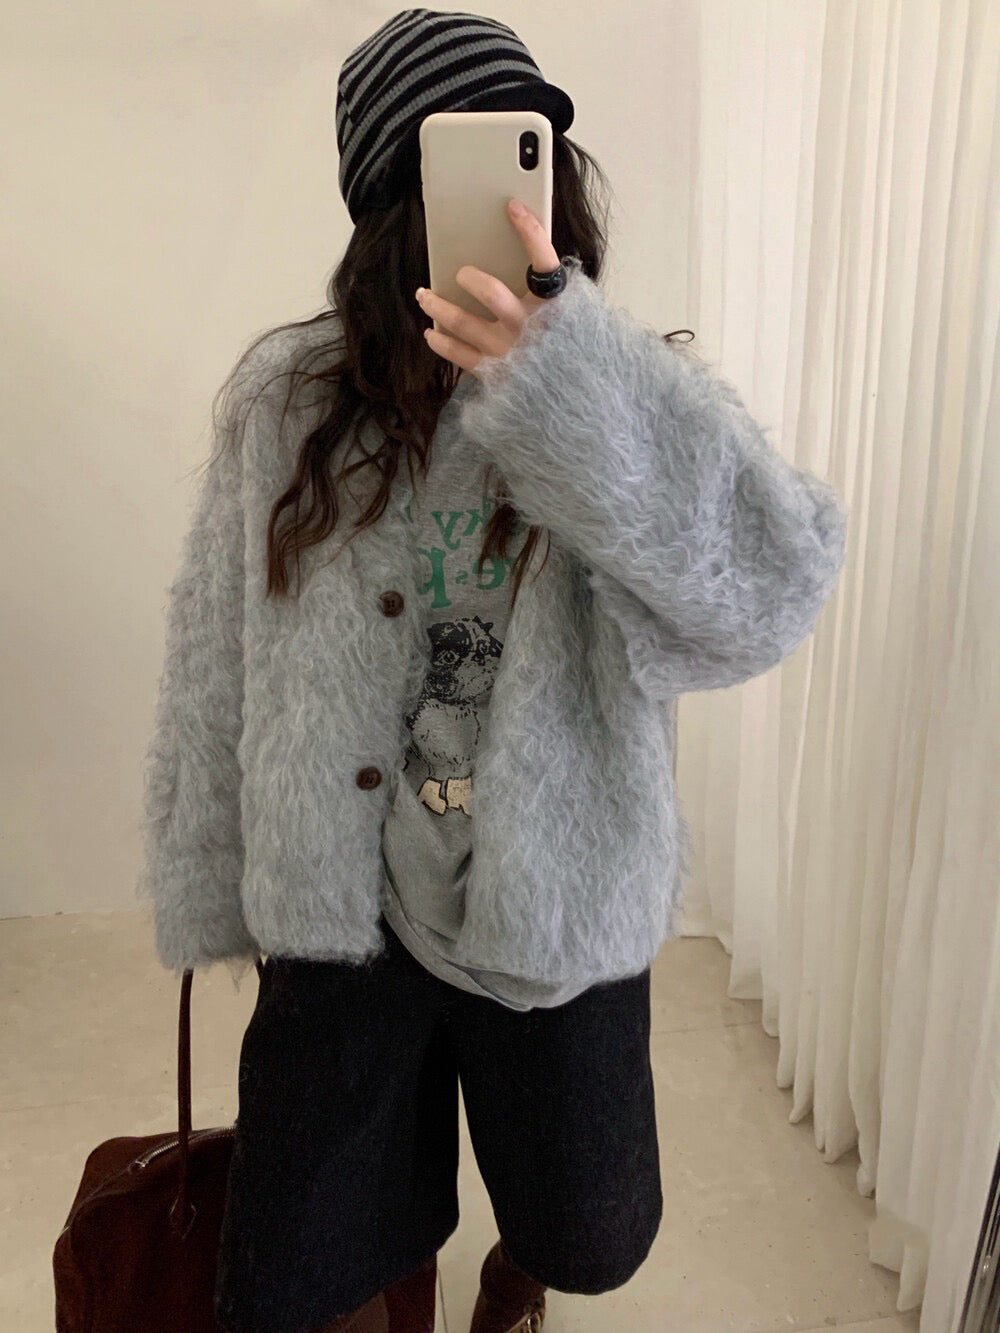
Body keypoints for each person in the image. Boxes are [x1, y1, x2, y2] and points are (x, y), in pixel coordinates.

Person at [136, 10, 849, 1333]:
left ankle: (516, 1275)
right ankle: (394, 1284)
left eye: (532, 164)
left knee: (589, 1226)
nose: (519, 207)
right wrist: (215, 863)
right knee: (302, 1253)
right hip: (350, 900)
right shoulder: (291, 401)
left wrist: (575, 382)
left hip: (551, 901)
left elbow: (772, 587)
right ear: (388, 216)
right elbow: (215, 646)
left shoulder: (624, 394)